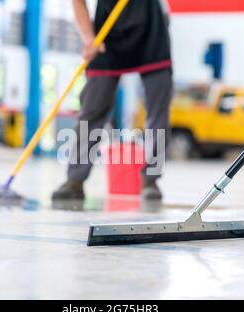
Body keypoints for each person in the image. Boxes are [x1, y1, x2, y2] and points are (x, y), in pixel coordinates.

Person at [52, 0, 173, 201]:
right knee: (91, 110)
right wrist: (88, 38)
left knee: (157, 113)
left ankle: (151, 179)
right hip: (107, 35)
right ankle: (75, 180)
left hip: (151, 33)